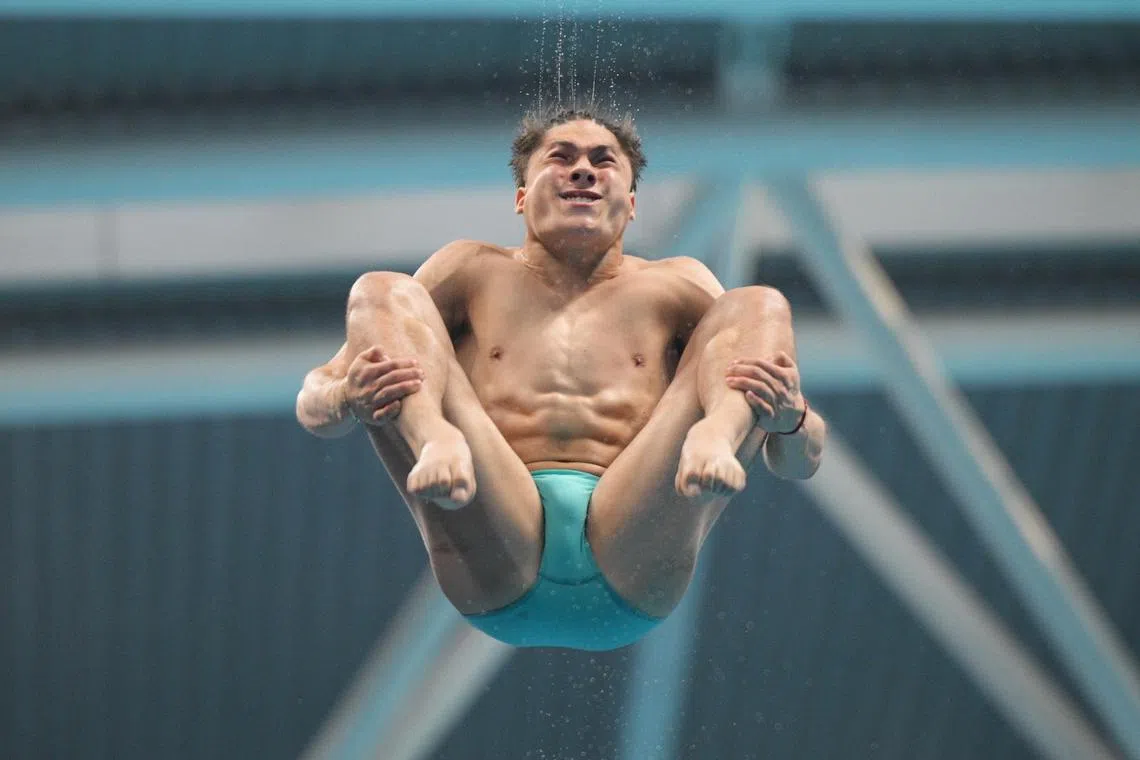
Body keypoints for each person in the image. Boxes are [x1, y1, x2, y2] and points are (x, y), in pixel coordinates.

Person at [295, 107, 826, 651]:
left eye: (603, 161)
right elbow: (315, 404)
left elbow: (800, 461)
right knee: (383, 288)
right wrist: (344, 393)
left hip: (635, 542)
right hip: (491, 527)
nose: (583, 171)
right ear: (522, 196)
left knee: (758, 304)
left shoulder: (677, 286)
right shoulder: (471, 270)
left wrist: (792, 421)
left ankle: (717, 430)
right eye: (561, 158)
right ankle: (435, 435)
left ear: (633, 203)